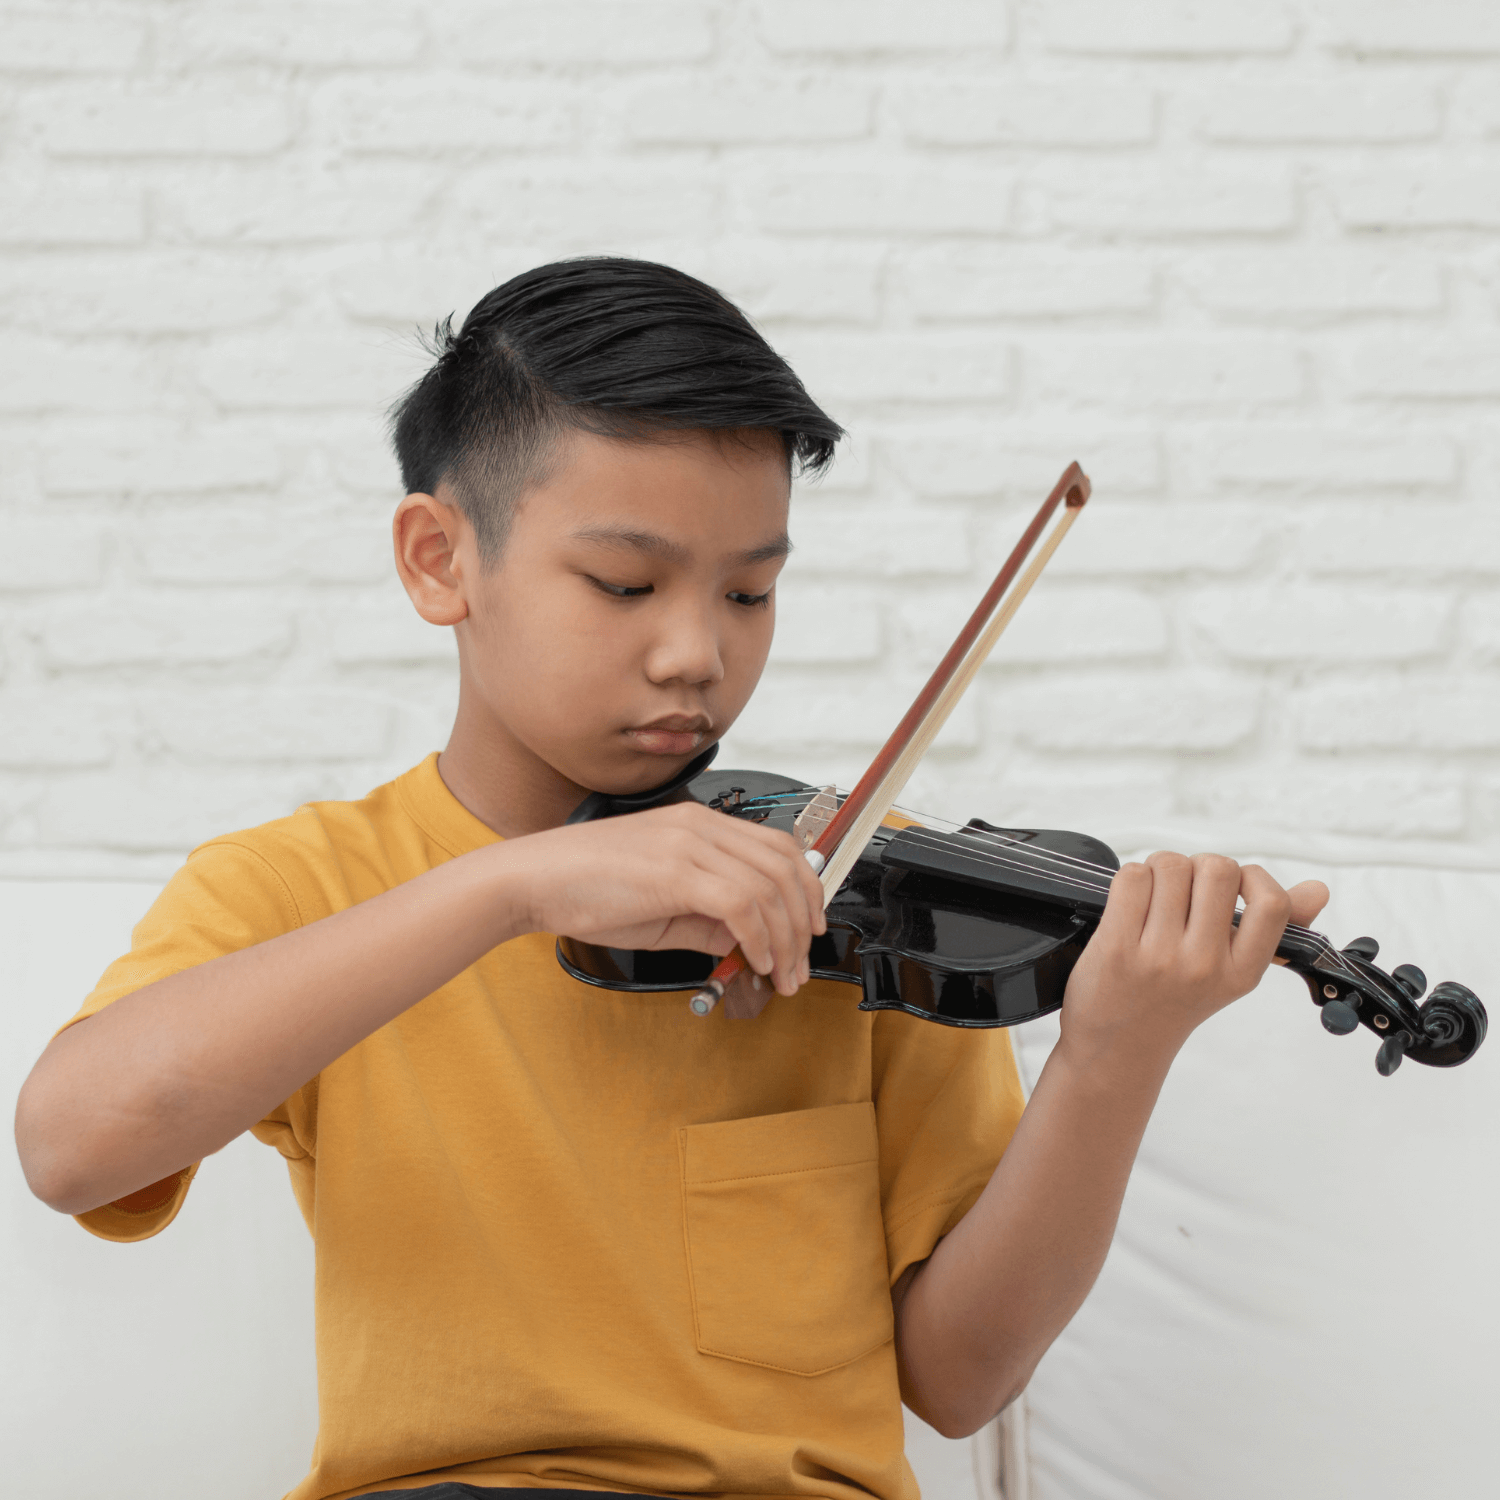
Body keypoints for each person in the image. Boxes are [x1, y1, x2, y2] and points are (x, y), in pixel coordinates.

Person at [14, 258, 1327, 1500]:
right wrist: (511, 890)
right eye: (626, 582)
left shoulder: (859, 890)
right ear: (439, 559)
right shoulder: (313, 882)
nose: (696, 654)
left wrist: (1113, 1059)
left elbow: (960, 1376)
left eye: (751, 596)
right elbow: (73, 1146)